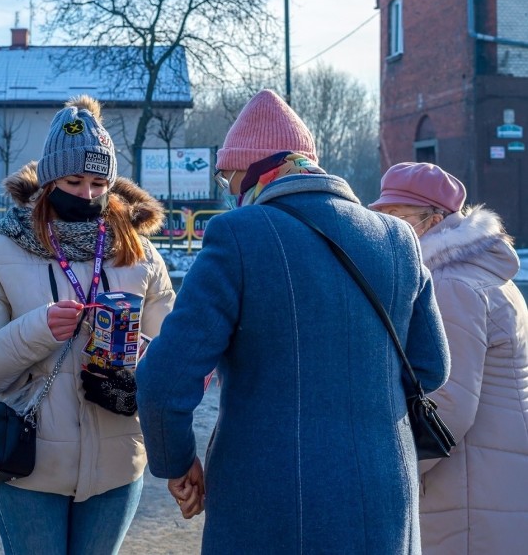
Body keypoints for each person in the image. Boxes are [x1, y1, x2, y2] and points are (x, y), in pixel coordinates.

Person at [135, 89, 451, 554]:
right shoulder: (398, 238)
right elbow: (432, 366)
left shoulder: (237, 235)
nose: (231, 193)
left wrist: (177, 462)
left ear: (258, 171)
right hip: (384, 496)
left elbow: (164, 381)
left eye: (230, 181)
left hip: (268, 502)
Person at [0, 95, 175, 554]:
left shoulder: (140, 254)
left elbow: (170, 349)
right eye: (74, 180)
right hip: (29, 467)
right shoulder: (0, 253)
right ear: (50, 178)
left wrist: (136, 351)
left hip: (118, 464)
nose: (87, 194)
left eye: (99, 182)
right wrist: (38, 329)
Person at [370, 162, 528, 554]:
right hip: (495, 475)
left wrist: (395, 471)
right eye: (382, 218)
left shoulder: (450, 285)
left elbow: (448, 404)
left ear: (435, 220)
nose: (389, 231)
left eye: (400, 218)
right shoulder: (485, 275)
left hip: (467, 486)